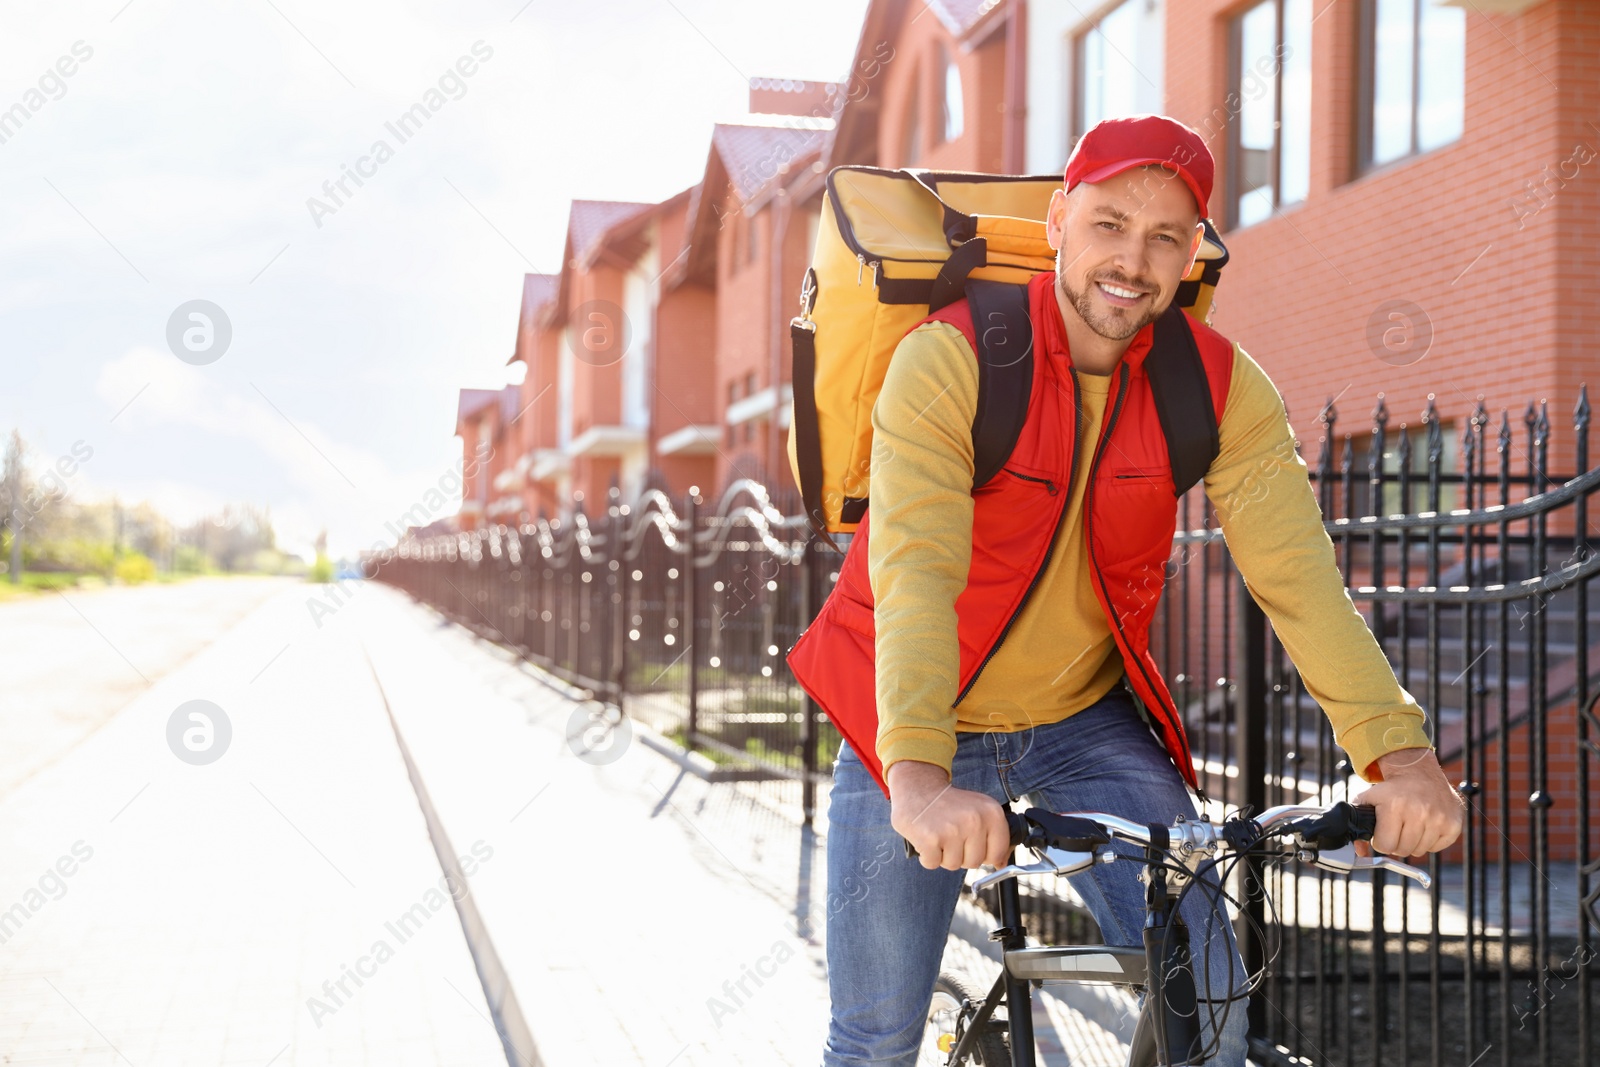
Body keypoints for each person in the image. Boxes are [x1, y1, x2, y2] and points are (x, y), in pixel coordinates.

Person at [809, 115, 1465, 1066]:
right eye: (1110, 223)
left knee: (1211, 1009)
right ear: (1060, 219)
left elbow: (1300, 579)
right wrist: (916, 780)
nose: (1133, 260)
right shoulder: (948, 359)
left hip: (1082, 723)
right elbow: (914, 572)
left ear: (1195, 248)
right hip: (912, 724)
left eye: (1167, 236)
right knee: (872, 1038)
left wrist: (1398, 756)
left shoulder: (1218, 389)